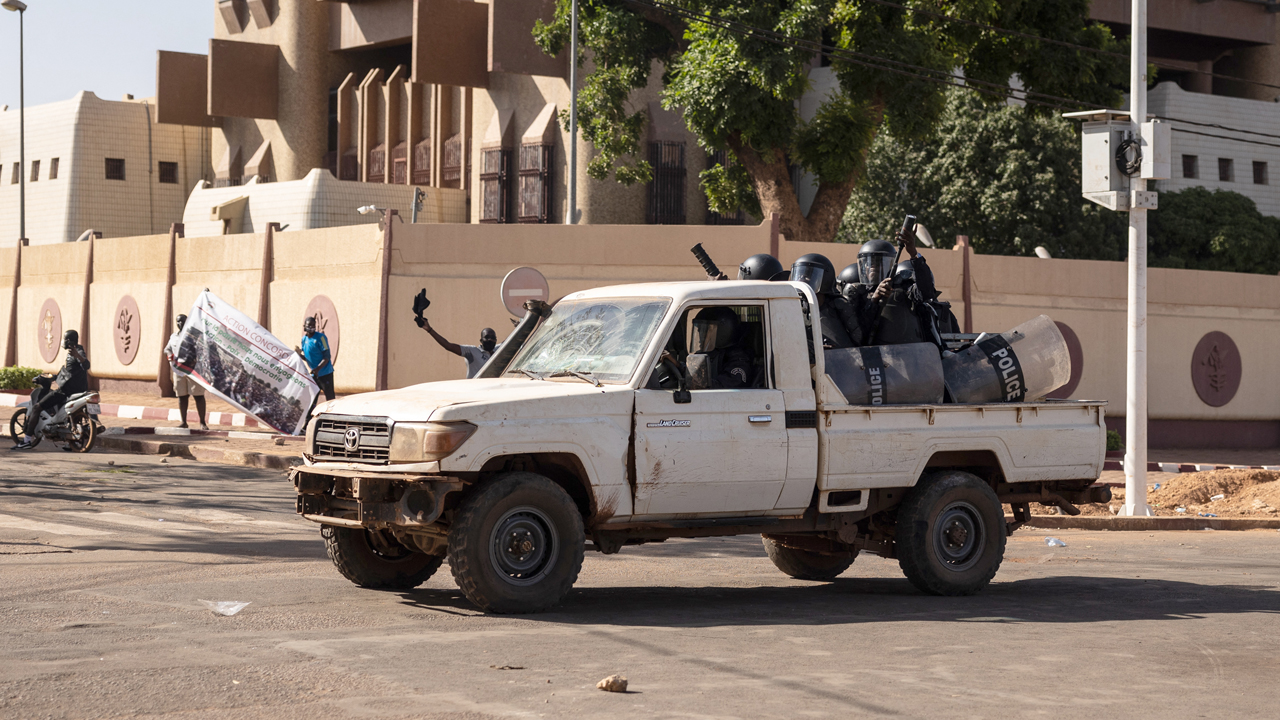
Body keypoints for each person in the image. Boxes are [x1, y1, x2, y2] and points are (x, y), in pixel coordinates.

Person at [856, 228, 942, 345]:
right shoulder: (856, 294)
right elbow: (856, 333)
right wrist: (874, 300)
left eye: (879, 262)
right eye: (869, 262)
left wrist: (913, 253)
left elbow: (926, 293)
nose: (873, 266)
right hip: (872, 359)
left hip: (906, 356)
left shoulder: (903, 288)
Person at [13, 330, 90, 450]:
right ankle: (71, 441)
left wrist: (78, 356)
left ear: (69, 341)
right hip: (78, 389)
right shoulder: (73, 352)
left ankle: (27, 440)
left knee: (37, 407)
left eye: (65, 339)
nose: (64, 342)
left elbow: (86, 364)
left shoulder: (77, 351)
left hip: (67, 391)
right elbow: (71, 372)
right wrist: (54, 377)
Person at [790, 253, 864, 349]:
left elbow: (858, 339)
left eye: (807, 276)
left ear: (825, 279)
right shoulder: (794, 307)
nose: (801, 280)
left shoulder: (838, 305)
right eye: (799, 276)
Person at [686, 307, 753, 389]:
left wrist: (700, 382)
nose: (701, 337)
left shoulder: (739, 361)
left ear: (722, 331)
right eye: (700, 330)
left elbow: (721, 389)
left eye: (706, 330)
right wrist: (676, 364)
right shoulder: (711, 354)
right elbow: (695, 373)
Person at [419, 317, 500, 379]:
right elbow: (448, 346)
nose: (490, 339)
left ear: (496, 340)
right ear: (481, 340)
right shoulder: (472, 351)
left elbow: (510, 341)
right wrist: (429, 330)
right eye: (487, 337)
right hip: (474, 392)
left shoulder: (500, 350)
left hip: (492, 392)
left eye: (493, 337)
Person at [167, 314, 208, 430]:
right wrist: (170, 355)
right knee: (182, 396)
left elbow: (202, 349)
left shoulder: (195, 335)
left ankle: (202, 422)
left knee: (198, 396)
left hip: (193, 370)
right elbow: (168, 348)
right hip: (179, 371)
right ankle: (184, 422)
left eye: (182, 321)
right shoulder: (173, 336)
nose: (180, 324)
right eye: (178, 321)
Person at [296, 316, 335, 402]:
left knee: (330, 398)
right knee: (312, 398)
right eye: (309, 325)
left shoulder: (321, 338)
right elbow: (308, 358)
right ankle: (310, 415)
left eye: (313, 325)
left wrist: (317, 369)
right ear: (304, 326)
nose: (311, 327)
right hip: (314, 375)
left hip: (325, 374)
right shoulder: (304, 339)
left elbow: (327, 357)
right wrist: (298, 355)